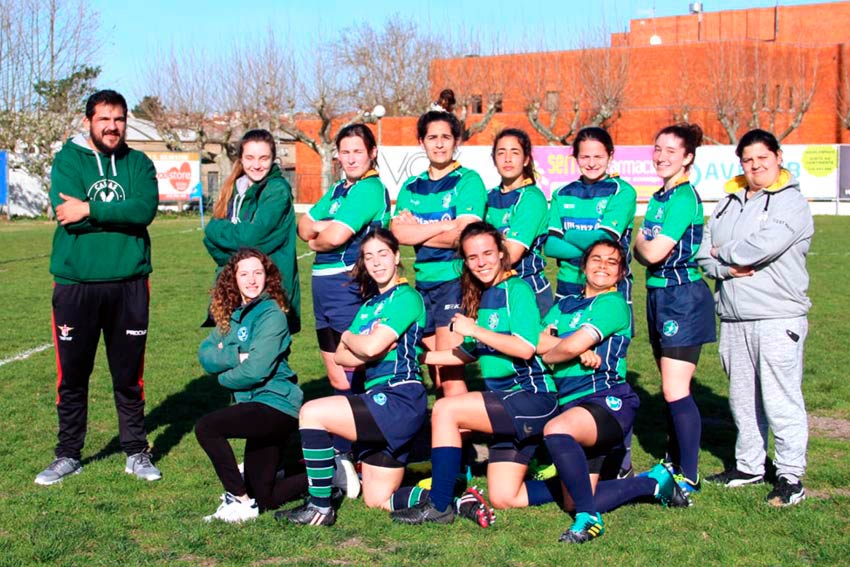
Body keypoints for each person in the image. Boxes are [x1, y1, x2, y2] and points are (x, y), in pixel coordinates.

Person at [390, 222, 557, 527]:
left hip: (532, 398)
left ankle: (439, 506)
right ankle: (585, 481)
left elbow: (524, 348)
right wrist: (416, 356)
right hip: (509, 403)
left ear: (502, 253)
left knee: (445, 410)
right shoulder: (484, 294)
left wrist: (473, 329)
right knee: (506, 496)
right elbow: (468, 353)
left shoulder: (516, 290)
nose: (481, 262)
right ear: (465, 262)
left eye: (488, 253)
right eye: (472, 257)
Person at [36, 89, 161, 485]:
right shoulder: (67, 161)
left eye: (119, 119)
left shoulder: (138, 163)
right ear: (88, 120)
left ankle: (136, 451)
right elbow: (65, 215)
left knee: (128, 376)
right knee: (72, 376)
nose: (112, 126)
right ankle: (68, 454)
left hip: (129, 284)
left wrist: (90, 208)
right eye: (104, 118)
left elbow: (144, 210)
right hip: (77, 285)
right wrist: (115, 216)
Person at [536, 240, 688, 544]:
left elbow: (550, 349)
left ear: (620, 273)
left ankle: (589, 521)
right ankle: (653, 482)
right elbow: (539, 343)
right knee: (573, 500)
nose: (603, 266)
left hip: (607, 402)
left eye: (612, 262)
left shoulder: (613, 304)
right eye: (596, 259)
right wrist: (573, 350)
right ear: (583, 265)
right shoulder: (563, 304)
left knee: (556, 430)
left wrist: (561, 349)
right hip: (573, 405)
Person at [277, 229, 429, 526]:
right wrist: (358, 340)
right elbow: (341, 358)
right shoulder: (368, 307)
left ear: (397, 256)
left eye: (383, 254)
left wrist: (356, 340)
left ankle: (320, 507)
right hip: (376, 398)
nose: (376, 262)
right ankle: (450, 499)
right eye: (369, 257)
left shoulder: (407, 297)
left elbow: (367, 347)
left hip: (399, 396)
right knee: (377, 499)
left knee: (312, 413)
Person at [697, 129, 813, 506]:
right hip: (733, 317)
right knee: (742, 399)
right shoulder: (729, 201)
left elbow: (762, 247)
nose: (756, 165)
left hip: (778, 316)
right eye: (748, 160)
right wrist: (726, 268)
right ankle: (749, 466)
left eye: (763, 157)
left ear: (778, 157)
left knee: (780, 399)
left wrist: (724, 252)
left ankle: (791, 476)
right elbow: (702, 255)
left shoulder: (791, 202)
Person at [544, 126, 637, 477]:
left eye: (599, 155)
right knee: (562, 359)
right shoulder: (564, 193)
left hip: (607, 288)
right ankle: (567, 445)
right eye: (585, 156)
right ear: (576, 159)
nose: (592, 162)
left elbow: (606, 244)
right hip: (569, 290)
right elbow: (549, 244)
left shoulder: (622, 192)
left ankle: (619, 456)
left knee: (609, 364)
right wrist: (591, 249)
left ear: (610, 157)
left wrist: (581, 248)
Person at [297, 124, 390, 458]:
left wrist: (321, 233)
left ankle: (365, 445)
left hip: (347, 285)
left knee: (355, 370)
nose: (351, 158)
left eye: (358, 151)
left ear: (372, 153)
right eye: (345, 152)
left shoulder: (369, 188)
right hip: (322, 289)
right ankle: (344, 450)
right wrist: (322, 230)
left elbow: (334, 238)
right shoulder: (338, 189)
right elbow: (303, 225)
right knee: (336, 374)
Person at [633, 123, 716, 495]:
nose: (661, 156)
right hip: (658, 295)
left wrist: (642, 240)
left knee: (674, 388)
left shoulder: (683, 198)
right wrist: (642, 241)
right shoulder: (659, 197)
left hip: (683, 298)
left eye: (671, 150)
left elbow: (649, 251)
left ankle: (689, 476)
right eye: (657, 148)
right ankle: (673, 460)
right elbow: (642, 246)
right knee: (670, 387)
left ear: (687, 158)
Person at [195, 249, 306, 522]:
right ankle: (329, 473)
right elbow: (205, 354)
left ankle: (239, 500)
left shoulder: (272, 314)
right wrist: (235, 356)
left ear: (267, 277)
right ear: (233, 279)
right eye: (244, 273)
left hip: (276, 405)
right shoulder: (234, 315)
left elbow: (256, 370)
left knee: (208, 428)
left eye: (258, 272)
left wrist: (222, 377)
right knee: (265, 497)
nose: (252, 280)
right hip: (254, 404)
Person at [391, 110, 487, 399]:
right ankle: (445, 437)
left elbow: (465, 236)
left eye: (446, 137)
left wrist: (420, 229)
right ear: (422, 142)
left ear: (456, 141)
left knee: (450, 370)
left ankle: (462, 441)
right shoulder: (411, 186)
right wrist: (445, 224)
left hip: (454, 281)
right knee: (436, 376)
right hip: (423, 284)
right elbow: (399, 234)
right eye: (432, 137)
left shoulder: (468, 180)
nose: (440, 144)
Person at [203, 128, 301, 334]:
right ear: (240, 158)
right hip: (235, 288)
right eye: (249, 157)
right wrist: (230, 254)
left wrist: (214, 229)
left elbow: (251, 238)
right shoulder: (234, 188)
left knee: (266, 359)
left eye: (263, 158)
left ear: (273, 158)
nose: (256, 165)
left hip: (268, 291)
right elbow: (210, 243)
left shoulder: (276, 190)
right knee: (230, 356)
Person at [484, 128, 552, 314]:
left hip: (528, 289)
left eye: (514, 152)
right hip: (491, 289)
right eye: (501, 153)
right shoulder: (486, 197)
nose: (507, 159)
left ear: (526, 159)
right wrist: (500, 238)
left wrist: (482, 242)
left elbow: (512, 254)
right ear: (494, 159)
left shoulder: (531, 198)